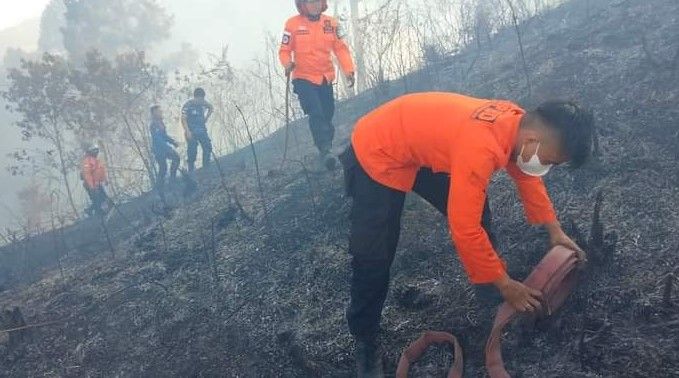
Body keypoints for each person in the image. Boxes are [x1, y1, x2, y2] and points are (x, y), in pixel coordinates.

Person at [339, 92, 594, 377]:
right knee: (373, 255)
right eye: (551, 161)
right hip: (379, 149)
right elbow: (465, 229)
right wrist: (507, 284)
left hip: (422, 143)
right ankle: (365, 338)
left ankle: (489, 290)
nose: (547, 168)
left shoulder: (516, 125)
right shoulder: (481, 147)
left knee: (475, 206)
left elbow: (526, 175)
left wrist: (554, 231)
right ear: (533, 141)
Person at [279, 0, 355, 171]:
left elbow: (341, 48)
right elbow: (284, 51)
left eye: (318, 1)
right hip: (303, 78)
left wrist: (349, 70)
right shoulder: (292, 24)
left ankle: (326, 142)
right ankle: (325, 150)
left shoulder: (332, 23)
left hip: (325, 77)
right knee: (316, 112)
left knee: (328, 112)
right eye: (310, 2)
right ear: (303, 5)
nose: (314, 5)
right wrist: (287, 63)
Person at [150, 104, 180, 195]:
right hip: (159, 150)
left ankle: (172, 180)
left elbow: (164, 135)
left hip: (164, 148)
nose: (161, 112)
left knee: (176, 159)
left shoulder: (160, 122)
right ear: (154, 113)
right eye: (159, 111)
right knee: (163, 168)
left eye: (161, 111)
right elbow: (157, 139)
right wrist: (168, 148)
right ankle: (159, 188)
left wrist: (173, 142)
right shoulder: (153, 125)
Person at [181, 87, 214, 172]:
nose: (202, 101)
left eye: (203, 99)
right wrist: (187, 131)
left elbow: (211, 107)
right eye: (200, 99)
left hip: (202, 130)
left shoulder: (203, 103)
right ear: (196, 97)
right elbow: (183, 119)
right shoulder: (188, 105)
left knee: (207, 147)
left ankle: (206, 168)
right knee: (192, 152)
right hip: (191, 132)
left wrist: (206, 118)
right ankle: (191, 170)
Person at [81, 144, 110, 216]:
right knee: (97, 199)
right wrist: (92, 186)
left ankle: (93, 211)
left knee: (103, 198)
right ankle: (98, 214)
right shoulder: (87, 161)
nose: (96, 152)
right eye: (94, 151)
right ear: (91, 151)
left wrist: (105, 180)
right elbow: (87, 175)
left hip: (98, 183)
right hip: (90, 185)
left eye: (97, 150)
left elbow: (101, 170)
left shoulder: (96, 160)